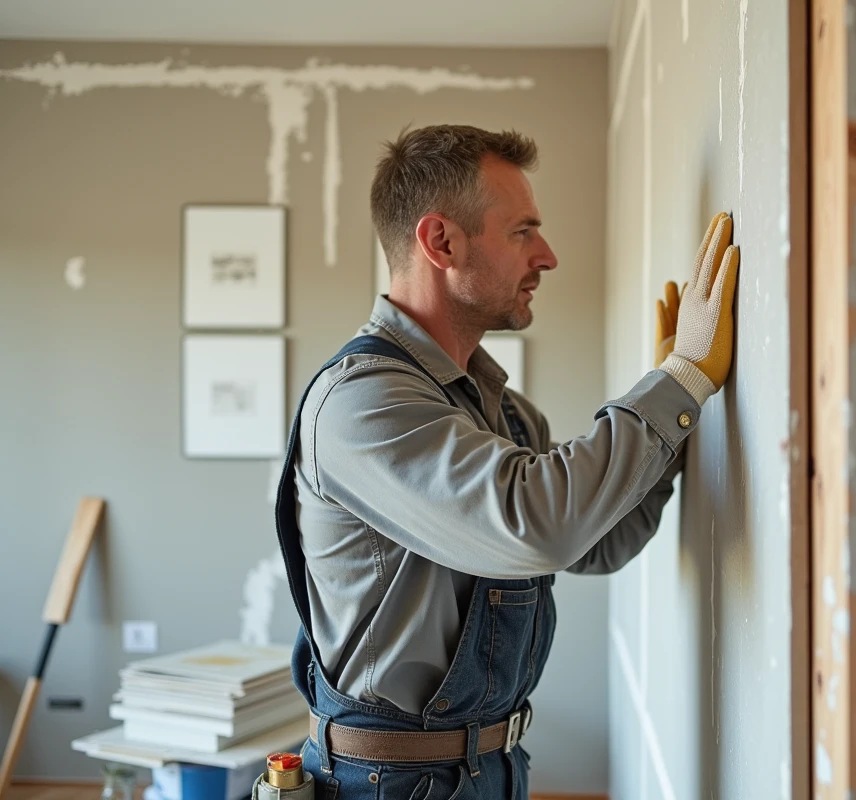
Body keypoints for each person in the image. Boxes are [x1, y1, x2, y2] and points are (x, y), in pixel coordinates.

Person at [273, 124, 740, 799]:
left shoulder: (507, 413)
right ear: (442, 242)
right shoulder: (360, 404)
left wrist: (673, 423)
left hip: (490, 767)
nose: (547, 257)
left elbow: (597, 542)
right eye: (523, 232)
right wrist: (681, 381)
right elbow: (535, 524)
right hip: (386, 783)